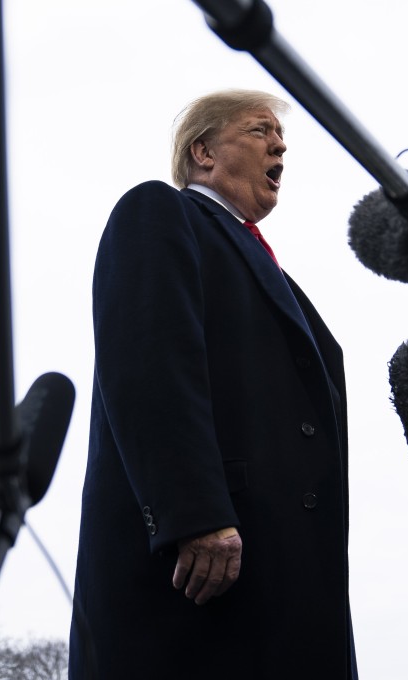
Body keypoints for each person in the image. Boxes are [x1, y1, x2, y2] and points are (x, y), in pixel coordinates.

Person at [69, 89, 356, 679]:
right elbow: (149, 360)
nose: (279, 145)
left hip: (285, 590)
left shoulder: (282, 281)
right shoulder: (160, 212)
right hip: (194, 587)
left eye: (281, 138)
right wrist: (193, 513)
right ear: (203, 151)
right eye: (259, 131)